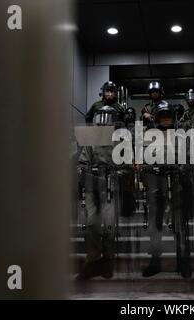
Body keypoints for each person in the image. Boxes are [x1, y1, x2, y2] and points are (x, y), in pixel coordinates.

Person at [141, 101, 192, 278]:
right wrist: (149, 166)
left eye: (168, 118)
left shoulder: (181, 135)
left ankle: (183, 260)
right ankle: (155, 261)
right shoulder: (149, 135)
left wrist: (184, 166)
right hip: (157, 183)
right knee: (155, 224)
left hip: (176, 182)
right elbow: (143, 157)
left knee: (180, 223)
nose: (165, 122)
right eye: (162, 119)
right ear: (157, 120)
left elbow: (190, 155)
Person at [76, 105, 123, 280]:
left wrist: (117, 172)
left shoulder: (120, 141)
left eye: (107, 119)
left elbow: (126, 164)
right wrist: (85, 170)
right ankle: (93, 261)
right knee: (91, 222)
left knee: (109, 224)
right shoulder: (91, 140)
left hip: (109, 186)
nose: (104, 123)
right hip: (91, 184)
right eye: (101, 119)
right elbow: (82, 161)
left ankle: (108, 261)